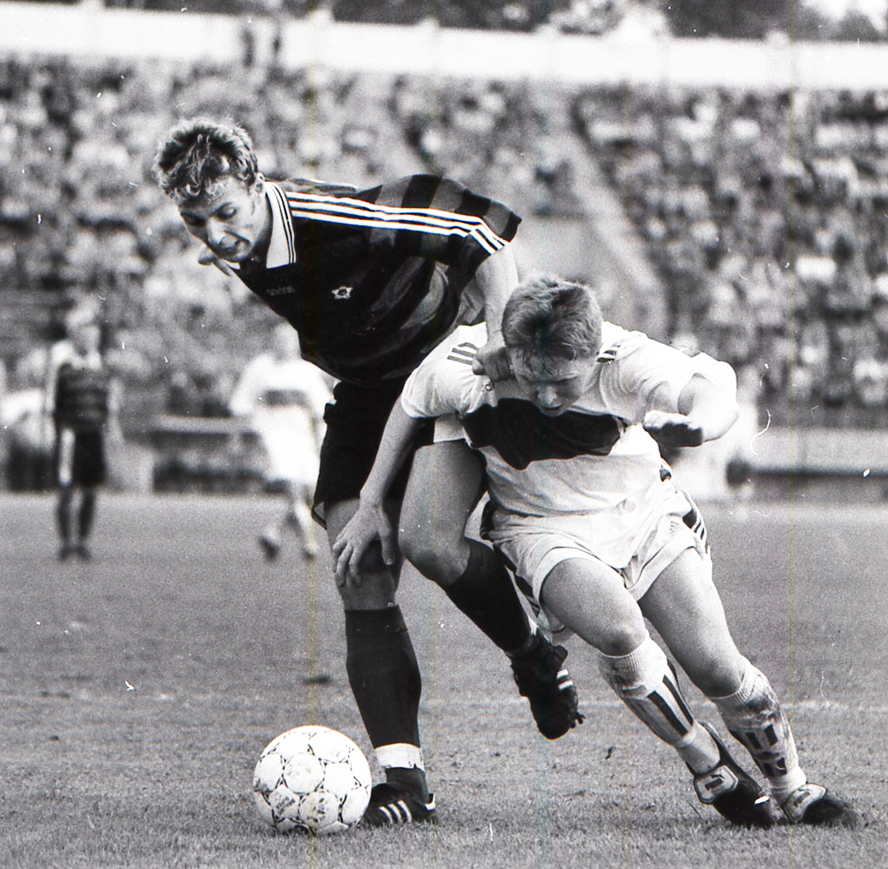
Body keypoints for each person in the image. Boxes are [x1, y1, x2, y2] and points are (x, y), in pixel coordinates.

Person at [154, 120, 582, 826]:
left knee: (428, 543)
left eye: (226, 212)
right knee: (359, 568)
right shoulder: (236, 244)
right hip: (364, 392)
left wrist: (499, 347)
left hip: (440, 372)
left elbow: (485, 232)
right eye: (197, 222)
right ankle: (406, 782)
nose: (216, 234)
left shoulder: (332, 216)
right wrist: (223, 233)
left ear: (258, 187)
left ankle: (533, 653)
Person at [335, 275, 859, 829]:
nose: (545, 397)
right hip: (541, 529)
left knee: (717, 667)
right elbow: (410, 405)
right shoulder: (469, 363)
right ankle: (707, 762)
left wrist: (698, 426)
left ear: (594, 353)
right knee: (618, 631)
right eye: (532, 378)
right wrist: (370, 501)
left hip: (644, 518)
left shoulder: (624, 358)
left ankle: (793, 787)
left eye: (562, 381)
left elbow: (709, 391)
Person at [229, 322, 331, 561]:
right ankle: (308, 542)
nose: (284, 345)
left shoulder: (307, 370)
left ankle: (274, 532)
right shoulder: (260, 368)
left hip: (302, 439)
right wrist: (241, 436)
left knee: (307, 492)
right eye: (279, 339)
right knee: (293, 487)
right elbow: (241, 403)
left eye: (289, 340)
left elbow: (321, 408)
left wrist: (322, 441)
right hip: (272, 436)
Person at [44, 313, 119, 561]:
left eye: (92, 336)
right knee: (66, 489)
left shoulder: (103, 368)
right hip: (69, 434)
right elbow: (52, 405)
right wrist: (51, 432)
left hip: (93, 435)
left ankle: (83, 540)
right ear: (75, 338)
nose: (88, 340)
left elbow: (109, 406)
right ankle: (67, 542)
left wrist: (113, 431)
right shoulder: (64, 369)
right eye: (84, 336)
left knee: (90, 490)